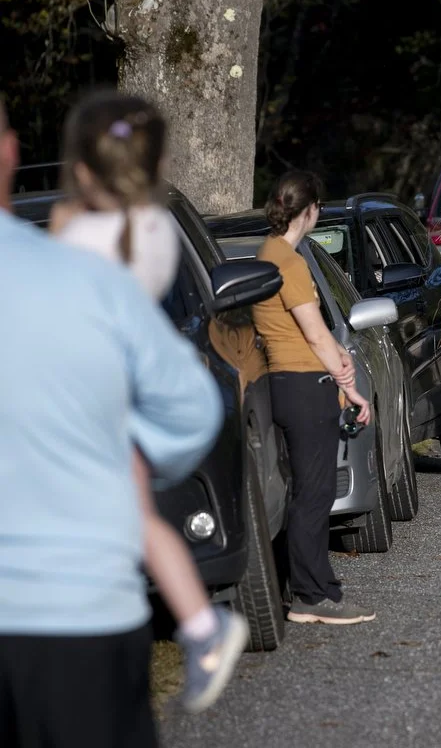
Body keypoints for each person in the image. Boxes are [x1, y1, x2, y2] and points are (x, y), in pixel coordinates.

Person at [0, 94, 223, 747]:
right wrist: (115, 445)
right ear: (10, 153)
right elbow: (190, 408)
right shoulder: (89, 278)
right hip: (73, 607)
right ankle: (203, 627)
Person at [45, 88, 248, 715]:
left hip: (89, 390)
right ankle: (199, 624)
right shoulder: (155, 230)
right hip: (132, 388)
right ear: (158, 168)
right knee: (136, 514)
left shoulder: (74, 233)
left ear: (81, 169)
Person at [252, 170, 376, 625]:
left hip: (284, 384)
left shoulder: (267, 251)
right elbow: (316, 334)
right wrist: (351, 388)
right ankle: (312, 596)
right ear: (309, 211)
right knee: (314, 493)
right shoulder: (290, 261)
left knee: (304, 491)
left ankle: (315, 586)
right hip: (306, 386)